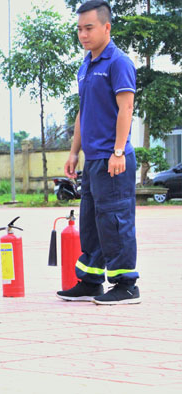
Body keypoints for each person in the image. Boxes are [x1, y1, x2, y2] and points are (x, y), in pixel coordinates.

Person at [57, 0, 140, 305]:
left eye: (89, 28)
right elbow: (83, 112)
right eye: (79, 28)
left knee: (115, 220)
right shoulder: (86, 64)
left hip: (113, 159)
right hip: (92, 160)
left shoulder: (118, 62)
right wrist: (73, 152)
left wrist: (118, 151)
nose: (82, 34)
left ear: (106, 27)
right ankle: (91, 281)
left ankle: (126, 284)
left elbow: (126, 108)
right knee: (91, 220)